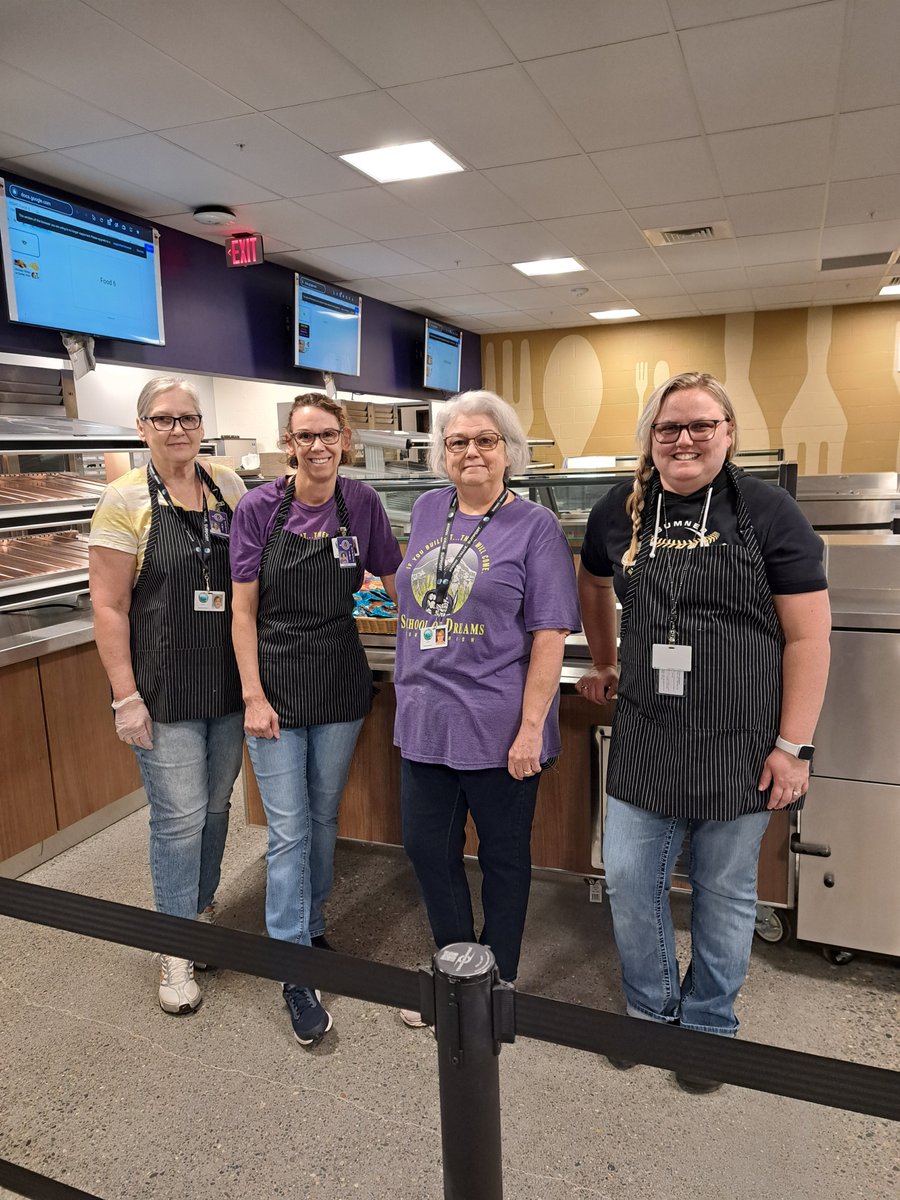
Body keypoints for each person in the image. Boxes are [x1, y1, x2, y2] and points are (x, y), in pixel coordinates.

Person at [577, 371, 831, 1092]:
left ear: (728, 434)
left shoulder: (770, 512)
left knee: (724, 891)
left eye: (701, 426)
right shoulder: (620, 509)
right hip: (647, 735)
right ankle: (650, 1012)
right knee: (630, 881)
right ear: (650, 437)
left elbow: (809, 638)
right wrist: (605, 659)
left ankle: (711, 1024)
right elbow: (592, 581)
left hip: (740, 740)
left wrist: (793, 748)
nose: (683, 439)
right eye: (669, 427)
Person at [393, 390, 581, 1023]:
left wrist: (532, 729)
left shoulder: (535, 526)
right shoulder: (427, 508)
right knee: (426, 849)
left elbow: (550, 634)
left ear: (508, 451)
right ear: (442, 452)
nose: (470, 451)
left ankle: (498, 979)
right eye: (457, 441)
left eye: (485, 440)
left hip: (499, 724)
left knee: (502, 857)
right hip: (425, 717)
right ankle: (456, 971)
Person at [230, 393, 401, 1047]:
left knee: (324, 816)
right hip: (274, 685)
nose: (318, 446)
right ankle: (293, 968)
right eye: (305, 436)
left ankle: (312, 925)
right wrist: (252, 696)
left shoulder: (362, 503)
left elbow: (392, 580)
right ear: (289, 443)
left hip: (339, 681)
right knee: (289, 831)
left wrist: (429, 628)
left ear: (345, 439)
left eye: (327, 434)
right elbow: (242, 612)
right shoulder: (257, 509)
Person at [89, 376, 246, 1015]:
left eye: (188, 418)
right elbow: (108, 606)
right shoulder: (123, 498)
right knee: (178, 819)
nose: (178, 429)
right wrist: (124, 696)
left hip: (228, 683)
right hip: (161, 687)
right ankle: (173, 947)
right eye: (163, 419)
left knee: (216, 808)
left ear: (202, 425)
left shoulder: (227, 485)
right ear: (142, 427)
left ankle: (199, 913)